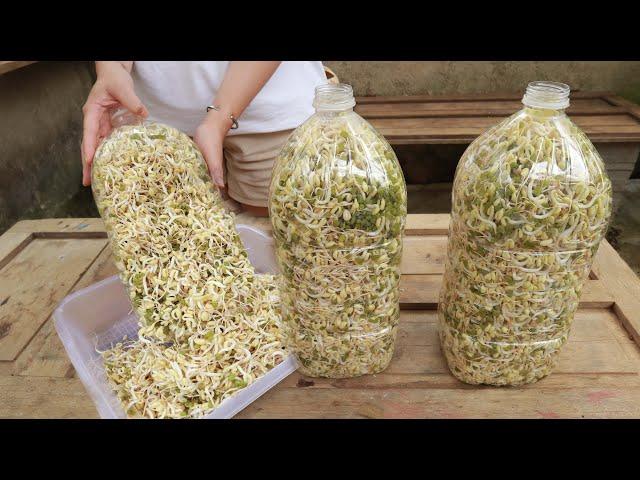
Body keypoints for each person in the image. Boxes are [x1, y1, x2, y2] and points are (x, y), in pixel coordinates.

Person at [81, 61, 328, 216]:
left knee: (280, 224)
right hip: (156, 122)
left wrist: (220, 118)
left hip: (270, 112)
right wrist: (110, 70)